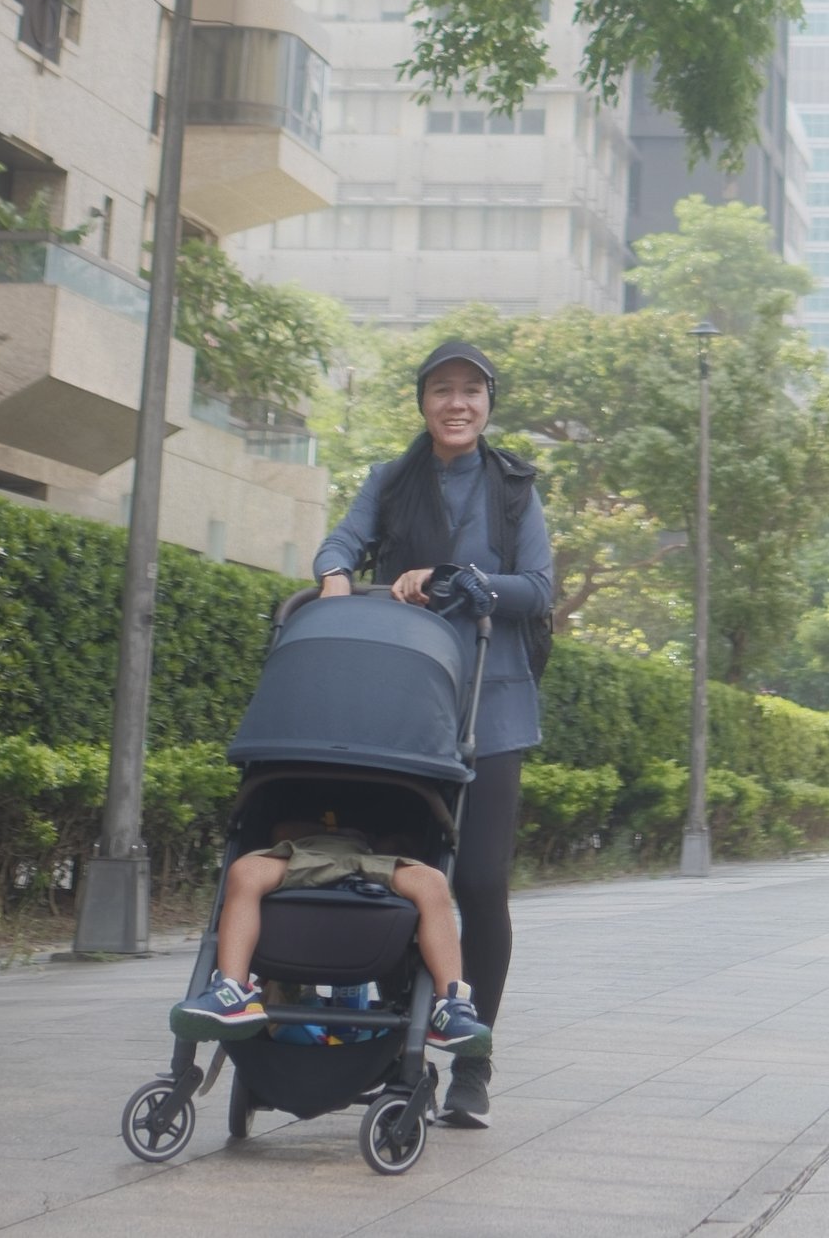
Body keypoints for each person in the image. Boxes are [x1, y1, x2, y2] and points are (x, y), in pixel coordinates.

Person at [312, 338, 553, 1129]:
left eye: (471, 392)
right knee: (396, 873)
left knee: (479, 883)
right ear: (424, 402)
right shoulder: (390, 479)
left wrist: (464, 582)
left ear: (489, 405)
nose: (457, 404)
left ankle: (473, 1060)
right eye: (442, 390)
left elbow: (537, 589)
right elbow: (340, 540)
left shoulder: (513, 489)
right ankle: (393, 1047)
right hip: (405, 703)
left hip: (496, 703)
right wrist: (338, 579)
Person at [173, 814, 487, 1047]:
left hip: (374, 854)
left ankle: (451, 1001)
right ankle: (232, 988)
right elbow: (281, 829)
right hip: (302, 852)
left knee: (433, 882)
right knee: (243, 871)